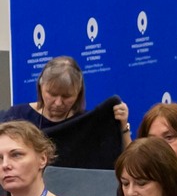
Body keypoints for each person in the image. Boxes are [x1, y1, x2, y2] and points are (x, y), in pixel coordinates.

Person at [1, 55, 130, 142]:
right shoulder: (16, 116)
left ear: (78, 93)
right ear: (41, 87)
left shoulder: (86, 124)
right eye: (52, 94)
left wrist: (123, 126)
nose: (58, 103)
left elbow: (127, 162)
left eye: (66, 96)